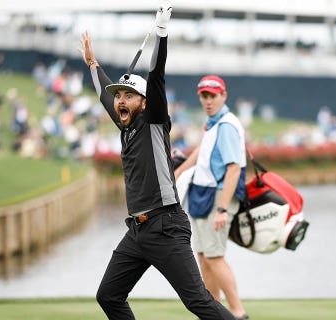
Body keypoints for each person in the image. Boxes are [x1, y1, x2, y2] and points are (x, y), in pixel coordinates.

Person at [78, 3, 236, 320]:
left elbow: (156, 75)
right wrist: (94, 64)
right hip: (136, 231)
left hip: (166, 227)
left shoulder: (153, 122)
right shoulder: (126, 125)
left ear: (145, 102)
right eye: (119, 96)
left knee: (198, 302)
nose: (120, 100)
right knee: (109, 296)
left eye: (128, 96)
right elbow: (103, 95)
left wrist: (161, 33)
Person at [174, 75, 249, 320]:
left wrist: (223, 209)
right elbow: (201, 150)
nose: (208, 101)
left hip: (218, 195)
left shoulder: (226, 124)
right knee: (204, 257)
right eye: (204, 96)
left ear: (223, 96)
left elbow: (234, 169)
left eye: (212, 96)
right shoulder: (213, 122)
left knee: (215, 257)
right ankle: (215, 311)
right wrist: (180, 171)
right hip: (204, 194)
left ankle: (238, 312)